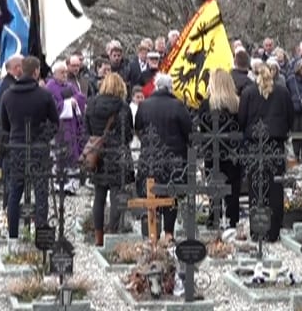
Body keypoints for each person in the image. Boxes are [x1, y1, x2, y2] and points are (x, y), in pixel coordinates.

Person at [0, 56, 59, 240]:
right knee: (41, 191)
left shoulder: (7, 95)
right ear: (36, 72)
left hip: (17, 146)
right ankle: (41, 234)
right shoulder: (44, 95)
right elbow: (55, 124)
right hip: (39, 148)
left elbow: (5, 125)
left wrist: (16, 136)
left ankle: (13, 237)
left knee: (14, 191)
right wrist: (43, 138)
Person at [239, 65, 294, 242]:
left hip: (254, 144)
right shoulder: (283, 92)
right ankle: (274, 231)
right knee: (275, 186)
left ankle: (257, 230)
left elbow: (242, 118)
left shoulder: (248, 93)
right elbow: (290, 116)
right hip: (275, 143)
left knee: (255, 186)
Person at [134, 73, 193, 240]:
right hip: (173, 157)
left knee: (152, 194)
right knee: (170, 194)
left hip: (150, 156)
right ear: (170, 87)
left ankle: (153, 232)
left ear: (156, 86)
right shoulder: (178, 106)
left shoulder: (144, 105)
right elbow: (188, 131)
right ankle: (168, 233)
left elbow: (138, 128)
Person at [85, 72, 135, 246]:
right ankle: (112, 234)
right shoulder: (122, 107)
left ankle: (98, 237)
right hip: (117, 155)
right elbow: (127, 133)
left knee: (99, 196)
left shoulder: (91, 104)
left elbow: (88, 129)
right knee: (116, 195)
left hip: (98, 156)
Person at [197, 69, 244, 227]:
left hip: (212, 151)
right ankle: (233, 220)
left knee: (213, 185)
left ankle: (214, 217)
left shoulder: (206, 104)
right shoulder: (237, 104)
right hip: (233, 152)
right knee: (233, 187)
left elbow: (202, 129)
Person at [46, 61, 87, 194]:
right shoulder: (50, 87)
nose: (65, 75)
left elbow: (80, 97)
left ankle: (71, 186)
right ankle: (57, 185)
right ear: (55, 74)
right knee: (58, 156)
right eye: (61, 72)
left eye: (65, 72)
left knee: (71, 155)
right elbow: (51, 107)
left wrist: (74, 101)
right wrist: (69, 103)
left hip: (71, 127)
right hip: (58, 128)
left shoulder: (70, 85)